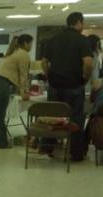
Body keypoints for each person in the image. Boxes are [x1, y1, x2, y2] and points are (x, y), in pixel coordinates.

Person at [41, 12, 93, 161]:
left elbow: (44, 62)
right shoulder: (82, 40)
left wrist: (48, 75)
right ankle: (75, 153)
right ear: (78, 23)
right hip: (74, 85)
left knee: (52, 117)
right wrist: (85, 78)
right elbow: (88, 63)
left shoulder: (53, 39)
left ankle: (48, 147)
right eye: (82, 23)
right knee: (75, 119)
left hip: (55, 85)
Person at [0, 34, 33, 149]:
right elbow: (23, 76)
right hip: (1, 84)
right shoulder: (23, 54)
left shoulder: (14, 52)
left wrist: (21, 90)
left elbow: (17, 75)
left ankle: (0, 141)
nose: (31, 46)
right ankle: (0, 143)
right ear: (25, 43)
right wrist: (24, 92)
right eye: (31, 43)